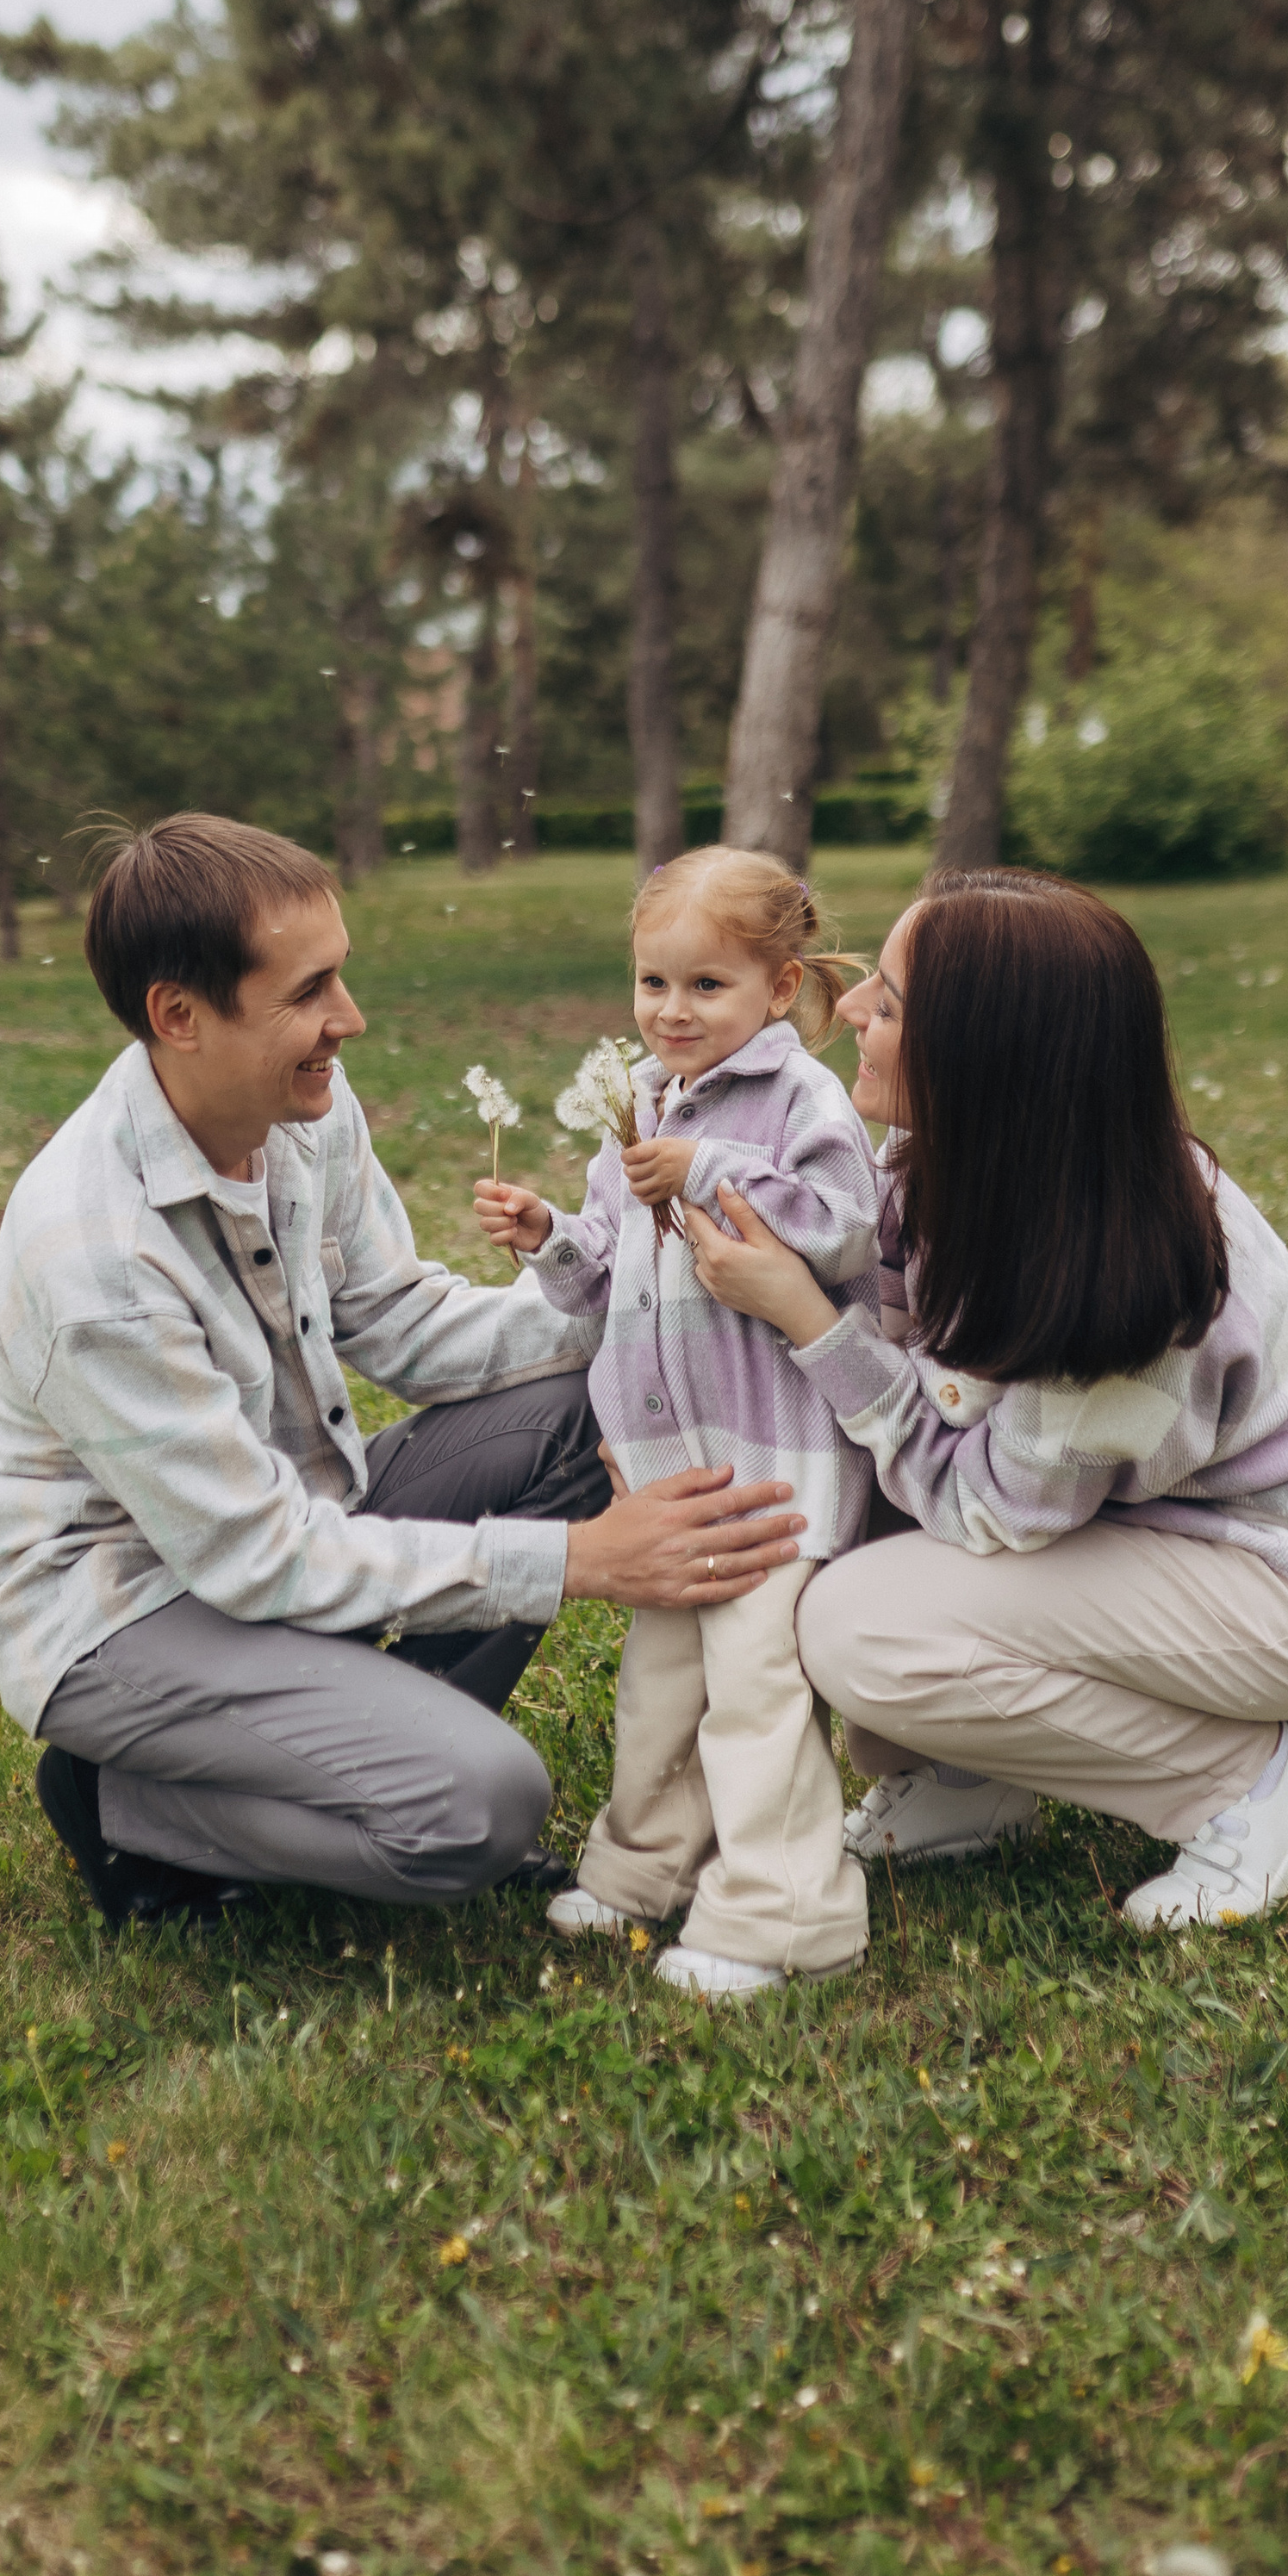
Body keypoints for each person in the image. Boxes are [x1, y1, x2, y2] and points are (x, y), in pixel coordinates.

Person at [0, 813, 806, 1931]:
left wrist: (657, 1309)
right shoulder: (96, 1255)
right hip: (133, 1614)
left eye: (342, 978)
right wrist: (579, 1560)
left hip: (291, 1532)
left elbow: (404, 1324)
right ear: (180, 1015)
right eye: (309, 992)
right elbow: (255, 1557)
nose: (348, 1021)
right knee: (483, 1809)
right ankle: (124, 1803)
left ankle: (361, 1750)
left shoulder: (299, 1112)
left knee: (573, 1407)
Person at [681, 866, 1288, 1933]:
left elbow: (981, 1506)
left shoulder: (1125, 1282)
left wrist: (808, 1321)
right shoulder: (963, 1162)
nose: (844, 1012)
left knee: (859, 1632)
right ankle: (966, 1780)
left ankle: (1244, 1786)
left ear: (981, 1058)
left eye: (886, 1003)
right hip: (1136, 1529)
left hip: (1283, 1578)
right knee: (851, 1484)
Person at [474, 848, 880, 1996]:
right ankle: (647, 1871)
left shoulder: (804, 1102)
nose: (672, 1010)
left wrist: (708, 1168)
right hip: (670, 1464)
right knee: (661, 1681)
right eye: (654, 984)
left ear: (781, 988)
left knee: (756, 1688)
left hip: (773, 1461)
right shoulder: (644, 1101)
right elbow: (611, 1271)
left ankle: (786, 1916)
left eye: (707, 986)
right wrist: (552, 1231)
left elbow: (848, 1232)